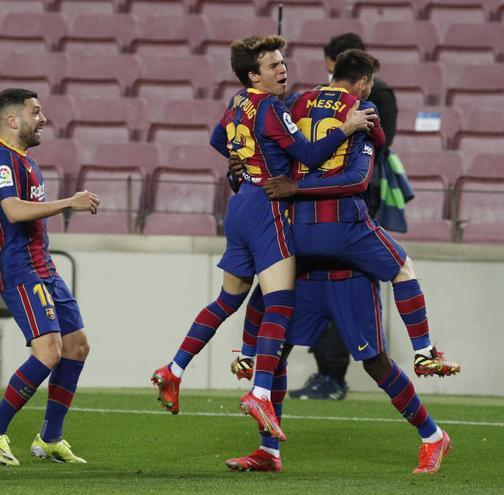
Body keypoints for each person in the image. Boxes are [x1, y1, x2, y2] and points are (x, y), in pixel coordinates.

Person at [150, 35, 375, 441]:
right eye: (273, 66)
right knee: (281, 305)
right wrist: (347, 126)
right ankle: (259, 393)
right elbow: (308, 156)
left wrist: (240, 159)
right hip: (267, 208)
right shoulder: (272, 107)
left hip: (239, 207)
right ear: (254, 74)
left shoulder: (239, 101)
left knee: (227, 300)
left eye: (282, 62)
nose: (283, 69)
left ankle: (174, 369)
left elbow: (219, 140)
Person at [237, 49, 459, 389]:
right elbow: (371, 157)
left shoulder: (296, 101)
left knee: (271, 285)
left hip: (293, 224)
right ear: (363, 82)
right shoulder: (362, 108)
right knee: (403, 268)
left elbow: (268, 141)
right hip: (341, 223)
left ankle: (248, 356)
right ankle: (424, 351)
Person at [225, 262, 452, 475]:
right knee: (276, 353)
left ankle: (433, 436)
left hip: (351, 279)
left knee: (376, 364)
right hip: (305, 275)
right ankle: (268, 451)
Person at [0, 88, 99, 466]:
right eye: (36, 112)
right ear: (13, 120)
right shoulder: (1, 159)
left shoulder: (23, 160)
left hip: (41, 265)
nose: (43, 119)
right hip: (21, 267)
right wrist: (68, 202)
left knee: (77, 345)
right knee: (47, 352)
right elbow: (10, 210)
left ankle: (50, 438)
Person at [287, 32, 400, 400]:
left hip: (345, 204)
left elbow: (375, 148)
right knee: (322, 283)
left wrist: (299, 186)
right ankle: (329, 372)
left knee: (329, 283)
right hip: (338, 204)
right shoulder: (360, 99)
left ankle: (332, 373)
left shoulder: (307, 100)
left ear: (335, 64)